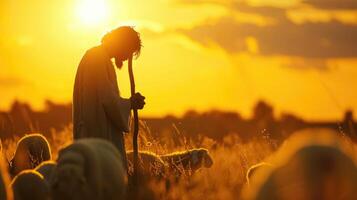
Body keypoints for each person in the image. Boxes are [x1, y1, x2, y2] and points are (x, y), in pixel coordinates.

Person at [73, 26, 145, 168]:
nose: (126, 57)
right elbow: (108, 100)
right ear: (121, 44)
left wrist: (129, 103)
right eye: (128, 51)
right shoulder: (97, 58)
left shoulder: (99, 57)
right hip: (96, 137)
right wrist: (130, 103)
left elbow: (106, 97)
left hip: (95, 136)